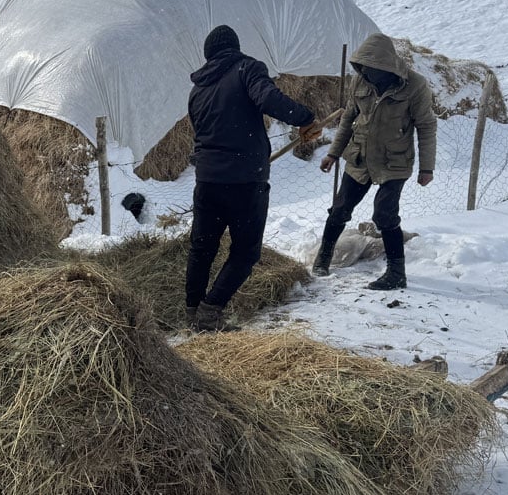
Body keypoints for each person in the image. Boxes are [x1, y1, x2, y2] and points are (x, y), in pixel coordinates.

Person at [185, 24, 321, 332]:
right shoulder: (247, 68)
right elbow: (269, 99)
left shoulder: (197, 90)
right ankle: (210, 312)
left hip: (207, 180)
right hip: (244, 182)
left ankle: (192, 312)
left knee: (202, 248)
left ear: (208, 55)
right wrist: (305, 118)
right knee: (246, 252)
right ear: (234, 48)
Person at [314, 32, 436, 290]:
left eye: (372, 68)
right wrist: (333, 153)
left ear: (387, 65)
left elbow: (426, 126)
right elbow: (348, 118)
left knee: (384, 214)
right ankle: (323, 258)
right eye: (363, 67)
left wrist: (427, 168)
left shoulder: (414, 85)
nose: (367, 73)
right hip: (359, 156)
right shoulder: (360, 81)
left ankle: (396, 273)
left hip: (394, 161)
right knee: (340, 209)